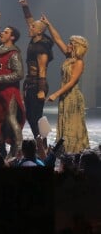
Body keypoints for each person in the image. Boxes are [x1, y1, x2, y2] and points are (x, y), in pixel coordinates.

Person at [42, 15, 90, 154]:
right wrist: (49, 24)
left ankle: (74, 150)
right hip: (65, 96)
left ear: (76, 47)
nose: (67, 45)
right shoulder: (69, 57)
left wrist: (56, 94)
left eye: (70, 44)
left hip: (73, 96)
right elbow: (57, 39)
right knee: (64, 121)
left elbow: (72, 82)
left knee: (73, 124)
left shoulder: (78, 62)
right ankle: (65, 149)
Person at [18, 0, 54, 138]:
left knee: (36, 118)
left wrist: (40, 90)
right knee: (31, 117)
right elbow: (30, 21)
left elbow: (42, 69)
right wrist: (25, 7)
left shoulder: (42, 47)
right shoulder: (35, 39)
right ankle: (40, 143)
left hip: (37, 83)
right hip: (30, 82)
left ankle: (43, 144)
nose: (30, 27)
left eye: (33, 27)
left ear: (39, 31)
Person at [0, 26, 26, 158]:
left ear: (12, 37)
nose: (2, 33)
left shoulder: (14, 53)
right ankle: (2, 149)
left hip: (10, 91)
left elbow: (19, 74)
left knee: (11, 119)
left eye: (6, 32)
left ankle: (18, 149)